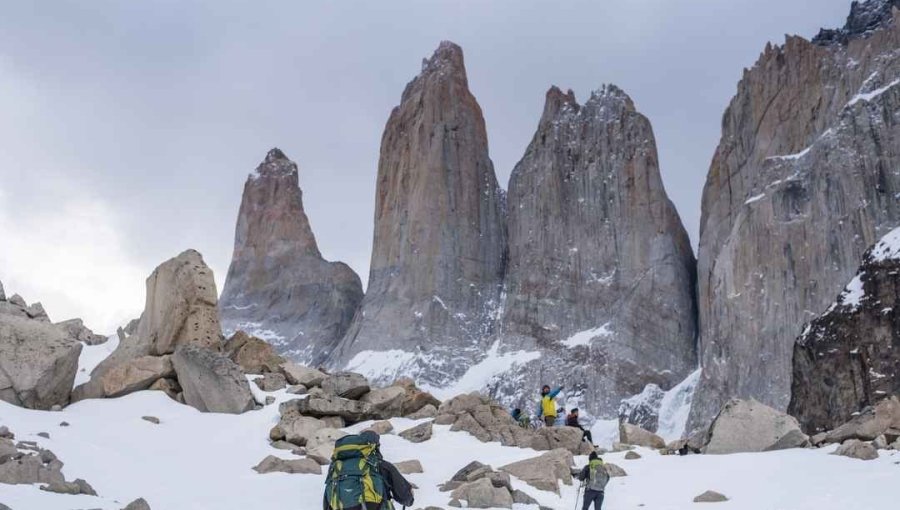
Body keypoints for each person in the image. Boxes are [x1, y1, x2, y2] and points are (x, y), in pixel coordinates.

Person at [324, 430, 414, 509]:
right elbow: (405, 497)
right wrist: (409, 496)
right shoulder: (379, 464)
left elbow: (327, 502)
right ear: (374, 447)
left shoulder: (335, 468)